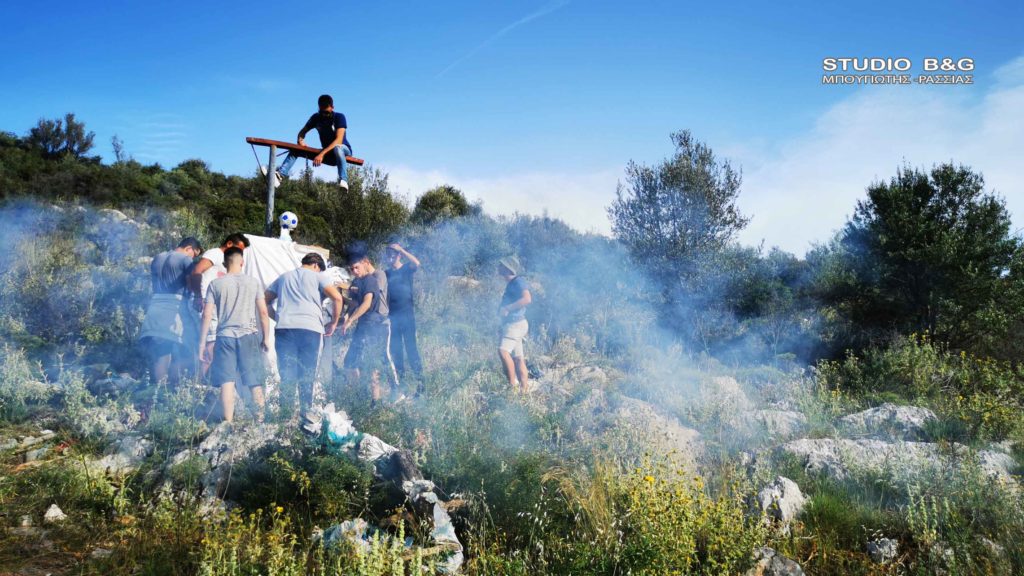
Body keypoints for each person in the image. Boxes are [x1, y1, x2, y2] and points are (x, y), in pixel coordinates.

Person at [265, 252, 344, 418]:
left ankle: (285, 417)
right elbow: (337, 298)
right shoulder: (318, 277)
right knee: (307, 374)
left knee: (287, 374)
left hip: (285, 329)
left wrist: (277, 317)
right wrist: (333, 323)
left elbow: (264, 300)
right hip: (310, 330)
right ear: (316, 265)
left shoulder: (283, 277)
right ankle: (306, 415)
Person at [198, 247, 271, 424]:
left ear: (224, 263)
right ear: (242, 262)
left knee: (227, 382)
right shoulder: (253, 282)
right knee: (254, 381)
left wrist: (202, 344)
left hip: (224, 337)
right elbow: (263, 312)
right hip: (248, 336)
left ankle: (228, 423)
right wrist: (266, 338)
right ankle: (260, 422)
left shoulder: (215, 284)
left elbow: (206, 315)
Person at [139, 237, 203, 386]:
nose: (193, 258)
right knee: (191, 346)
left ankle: (160, 389)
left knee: (162, 351)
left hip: (155, 306)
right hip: (175, 307)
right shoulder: (185, 259)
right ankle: (178, 387)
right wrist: (198, 296)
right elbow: (192, 280)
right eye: (194, 254)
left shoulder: (158, 257)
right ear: (189, 248)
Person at [189, 233, 251, 377]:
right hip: (205, 303)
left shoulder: (228, 262)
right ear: (229, 244)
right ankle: (201, 383)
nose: (239, 253)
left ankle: (200, 380)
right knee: (210, 346)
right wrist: (198, 296)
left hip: (214, 307)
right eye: (239, 249)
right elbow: (197, 271)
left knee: (213, 345)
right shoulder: (215, 253)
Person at [342, 253, 400, 404]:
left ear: (365, 263)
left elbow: (367, 301)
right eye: (352, 269)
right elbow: (355, 302)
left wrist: (351, 318)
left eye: (357, 267)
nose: (354, 271)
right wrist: (346, 317)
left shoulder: (374, 278)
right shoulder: (358, 280)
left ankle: (390, 392)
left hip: (378, 323)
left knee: (379, 360)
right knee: (356, 361)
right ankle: (362, 397)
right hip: (365, 324)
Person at [269, 94, 353, 190]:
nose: (324, 115)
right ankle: (279, 175)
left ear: (332, 108)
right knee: (296, 150)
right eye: (322, 112)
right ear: (319, 108)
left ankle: (343, 180)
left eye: (327, 112)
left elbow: (339, 140)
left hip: (343, 150)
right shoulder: (316, 118)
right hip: (327, 154)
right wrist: (300, 141)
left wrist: (321, 154)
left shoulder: (339, 117)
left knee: (338, 148)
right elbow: (302, 132)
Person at [385, 242, 423, 388]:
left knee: (411, 349)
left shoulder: (406, 269)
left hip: (407, 316)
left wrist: (401, 249)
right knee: (396, 351)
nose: (390, 257)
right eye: (388, 254)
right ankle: (402, 385)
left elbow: (417, 263)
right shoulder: (387, 273)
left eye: (393, 254)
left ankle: (420, 384)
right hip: (392, 317)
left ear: (399, 255)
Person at [497, 256, 531, 393]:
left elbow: (527, 299)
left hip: (515, 325)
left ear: (507, 268)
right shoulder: (512, 283)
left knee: (503, 351)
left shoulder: (518, 281)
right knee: (518, 359)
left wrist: (507, 308)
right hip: (516, 324)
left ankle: (512, 387)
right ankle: (524, 390)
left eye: (501, 265)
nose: (498, 268)